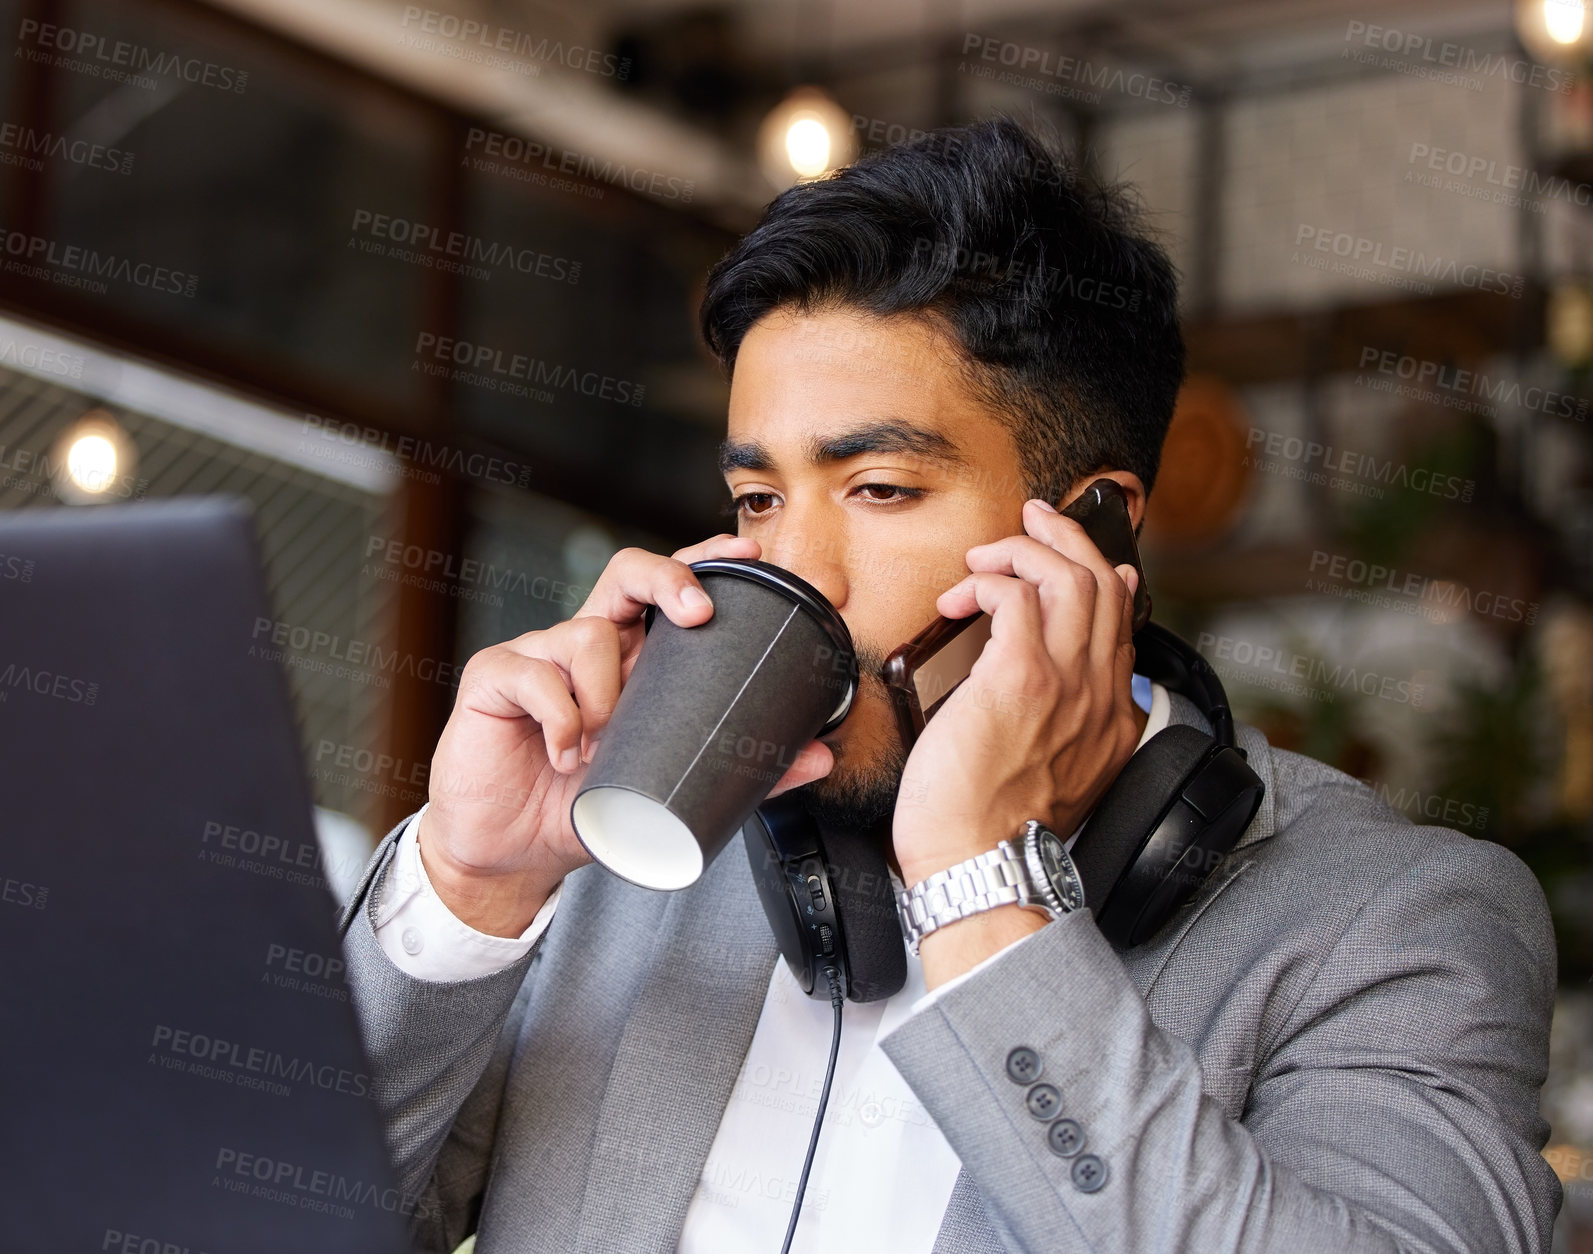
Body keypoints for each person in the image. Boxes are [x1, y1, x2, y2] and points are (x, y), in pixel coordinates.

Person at [337, 117, 1563, 1252]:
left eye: (878, 490)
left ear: (1095, 529)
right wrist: (469, 890)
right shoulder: (630, 850)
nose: (793, 571)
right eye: (759, 501)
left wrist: (987, 893)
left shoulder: (1397, 924)